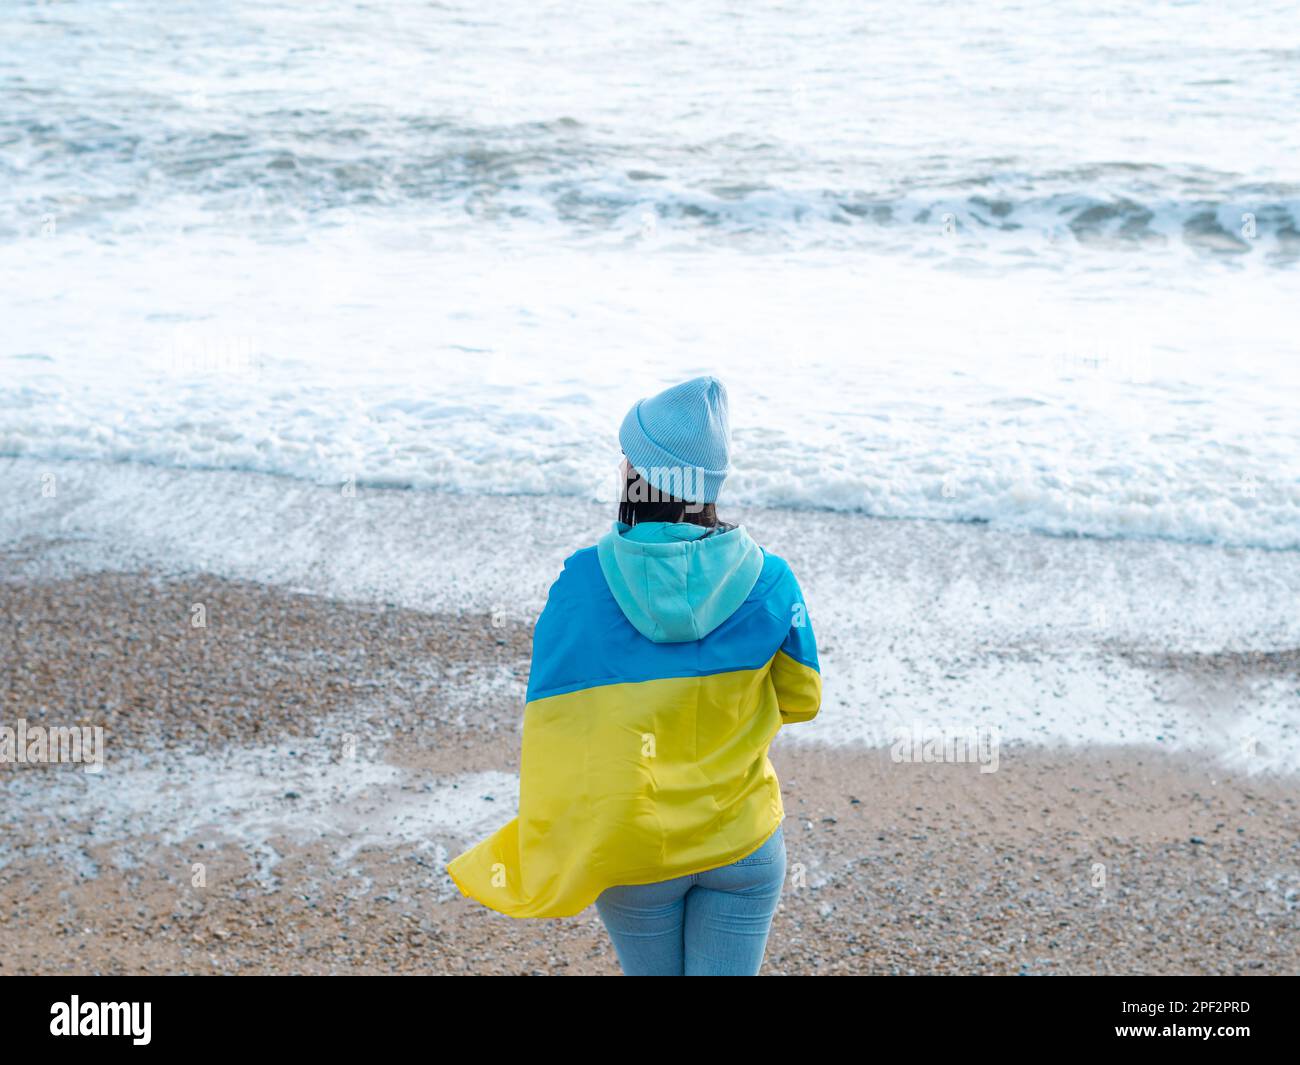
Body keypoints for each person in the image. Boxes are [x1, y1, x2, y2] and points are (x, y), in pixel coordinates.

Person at [448, 376, 821, 975]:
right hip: (740, 838)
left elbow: (557, 718)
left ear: (641, 476)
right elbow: (803, 700)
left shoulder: (582, 580)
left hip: (632, 843)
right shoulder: (771, 579)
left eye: (628, 455)